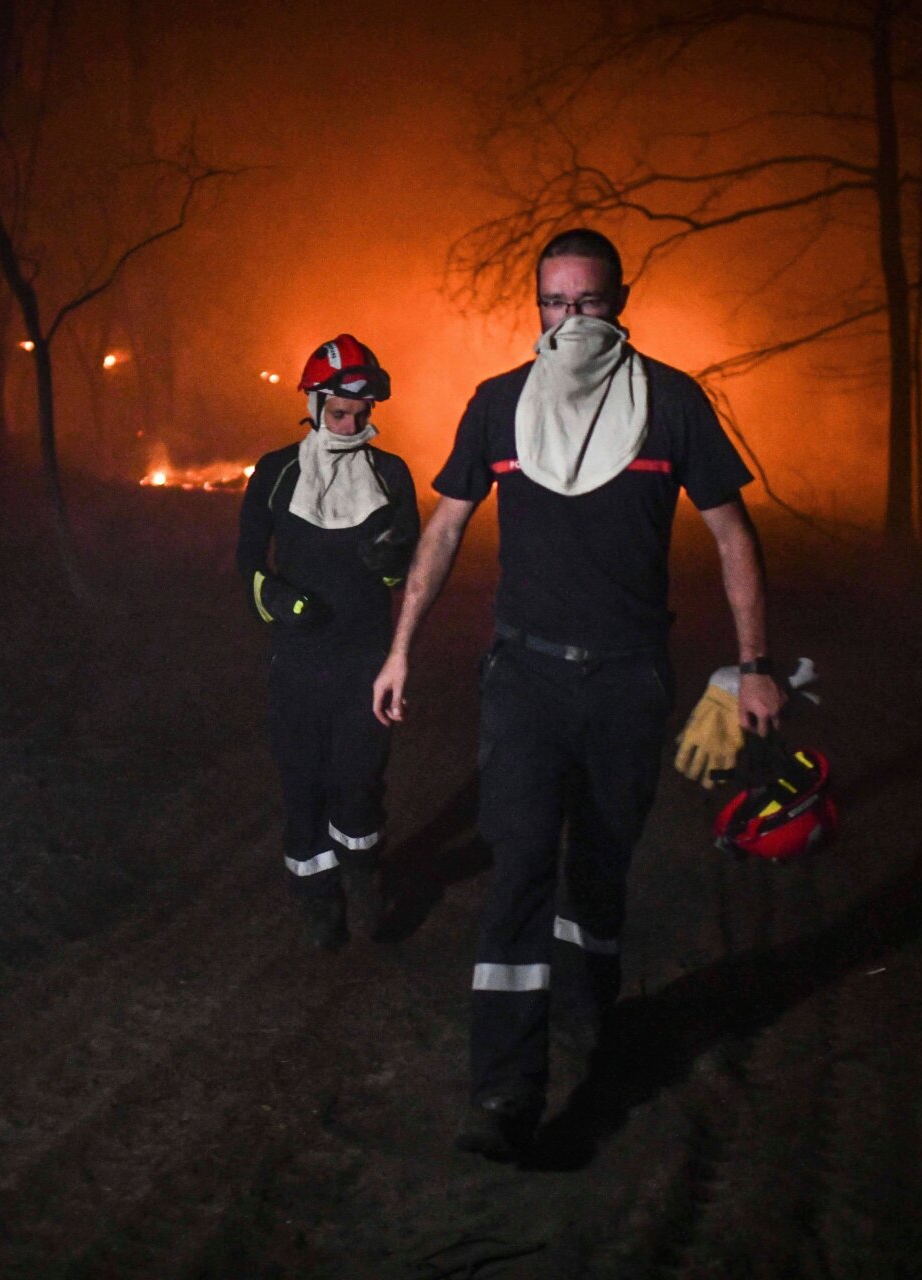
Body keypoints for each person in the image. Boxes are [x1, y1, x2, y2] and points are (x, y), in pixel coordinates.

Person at [370, 229, 786, 1159]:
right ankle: (506, 1094)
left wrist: (756, 663)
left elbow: (732, 537)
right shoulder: (497, 407)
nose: (570, 322)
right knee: (519, 862)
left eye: (588, 303)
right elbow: (441, 534)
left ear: (620, 301)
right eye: (553, 304)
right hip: (524, 676)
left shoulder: (672, 404)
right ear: (535, 308)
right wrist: (401, 648)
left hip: (628, 679)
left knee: (597, 868)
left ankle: (590, 1029)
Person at [238, 334, 418, 951]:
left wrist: (392, 558)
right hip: (297, 663)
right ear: (313, 404)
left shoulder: (391, 474)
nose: (350, 422)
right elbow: (245, 564)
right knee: (302, 784)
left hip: (366, 661)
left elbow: (406, 574)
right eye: (338, 411)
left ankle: (365, 876)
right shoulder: (275, 472)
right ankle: (316, 899)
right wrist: (278, 600)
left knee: (357, 781)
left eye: (361, 413)